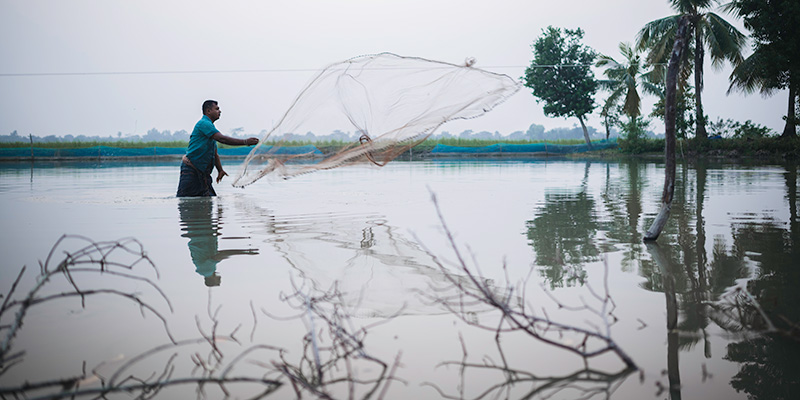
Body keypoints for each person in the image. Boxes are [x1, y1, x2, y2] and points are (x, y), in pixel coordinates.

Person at [176, 100, 259, 197]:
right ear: (208, 111)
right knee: (185, 201)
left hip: (202, 174)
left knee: (208, 201)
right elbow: (222, 139)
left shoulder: (210, 128)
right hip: (191, 171)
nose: (220, 111)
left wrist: (220, 170)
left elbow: (214, 154)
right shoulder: (204, 124)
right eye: (217, 109)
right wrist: (245, 142)